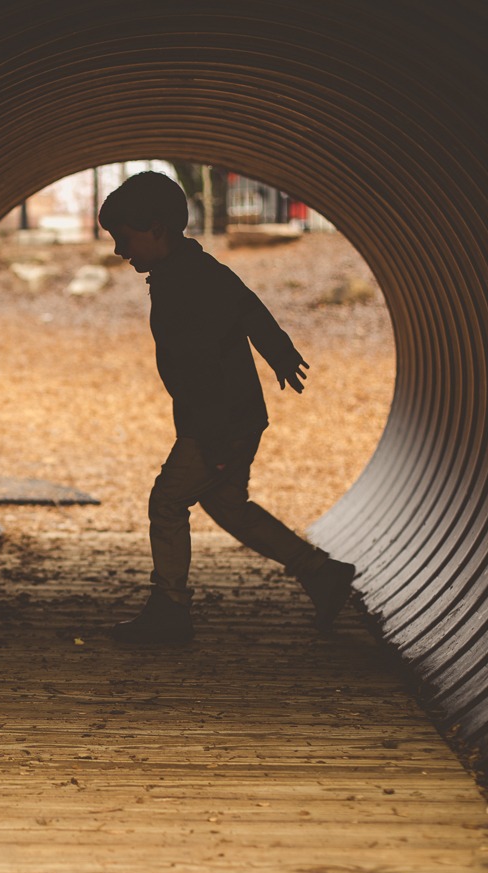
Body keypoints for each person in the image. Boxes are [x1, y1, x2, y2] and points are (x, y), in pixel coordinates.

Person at [98, 170, 355, 644]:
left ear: (157, 228)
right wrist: (277, 351)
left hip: (218, 421)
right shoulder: (195, 269)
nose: (119, 250)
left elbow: (205, 368)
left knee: (168, 500)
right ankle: (320, 572)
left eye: (124, 238)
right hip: (233, 416)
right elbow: (248, 306)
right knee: (229, 506)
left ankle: (170, 607)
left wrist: (215, 439)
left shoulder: (186, 282)